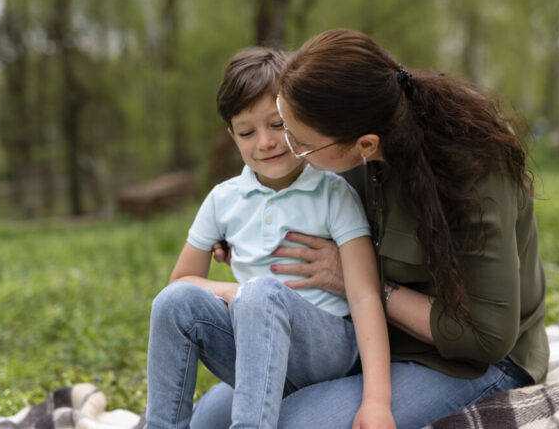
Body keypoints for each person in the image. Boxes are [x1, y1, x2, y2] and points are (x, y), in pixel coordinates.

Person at [202, 29, 549, 429]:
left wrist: (352, 280)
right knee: (209, 418)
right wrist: (249, 238)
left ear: (365, 145)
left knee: (290, 424)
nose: (290, 151)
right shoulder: (344, 148)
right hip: (366, 347)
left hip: (474, 363)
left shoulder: (474, 175)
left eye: (301, 143)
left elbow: (486, 337)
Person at [144, 47, 395, 429]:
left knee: (261, 294)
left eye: (278, 125)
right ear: (233, 136)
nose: (266, 142)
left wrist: (377, 400)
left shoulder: (333, 192)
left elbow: (364, 296)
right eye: (247, 132)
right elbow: (182, 282)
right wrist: (240, 292)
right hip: (254, 343)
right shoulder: (223, 200)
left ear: (299, 118)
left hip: (327, 349)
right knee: (172, 302)